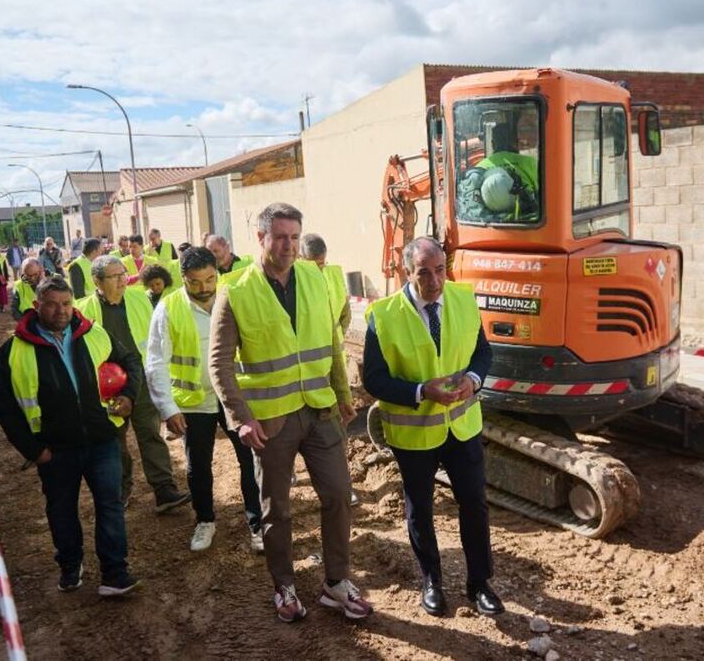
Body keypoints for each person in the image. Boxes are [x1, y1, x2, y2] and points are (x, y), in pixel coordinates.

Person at [208, 202, 370, 623]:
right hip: (270, 421)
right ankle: (284, 586)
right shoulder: (237, 290)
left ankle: (336, 583)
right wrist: (241, 417)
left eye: (295, 237)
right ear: (260, 238)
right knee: (276, 510)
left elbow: (332, 343)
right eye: (280, 237)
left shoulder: (315, 279)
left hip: (319, 411)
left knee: (337, 495)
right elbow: (220, 362)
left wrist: (341, 392)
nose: (289, 246)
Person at [362, 236, 503, 617]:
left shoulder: (463, 299)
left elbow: (482, 353)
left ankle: (479, 584)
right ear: (406, 271)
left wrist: (474, 379)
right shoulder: (383, 315)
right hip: (415, 433)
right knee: (420, 509)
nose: (435, 281)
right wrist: (422, 391)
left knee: (474, 503)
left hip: (462, 427)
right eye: (424, 273)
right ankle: (431, 581)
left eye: (440, 270)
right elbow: (373, 380)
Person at [0, 274, 142, 596]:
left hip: (102, 439)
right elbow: (3, 408)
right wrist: (34, 451)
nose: (61, 311)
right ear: (36, 306)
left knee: (110, 505)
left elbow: (130, 359)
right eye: (52, 305)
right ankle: (70, 567)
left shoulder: (94, 334)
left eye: (66, 304)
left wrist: (129, 396)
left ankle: (115, 574)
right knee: (62, 511)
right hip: (55, 450)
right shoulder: (12, 352)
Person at [146, 247, 264, 553]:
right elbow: (156, 361)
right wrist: (168, 408)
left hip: (234, 398)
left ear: (217, 273)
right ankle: (205, 520)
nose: (204, 288)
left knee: (250, 459)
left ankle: (258, 524)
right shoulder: (168, 308)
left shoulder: (233, 296)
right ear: (183, 278)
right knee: (198, 466)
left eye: (210, 279)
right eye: (196, 282)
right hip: (193, 403)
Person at [76, 255, 191, 513]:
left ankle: (164, 490)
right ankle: (120, 490)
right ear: (97, 281)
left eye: (123, 274)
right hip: (106, 389)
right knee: (114, 440)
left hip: (141, 380)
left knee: (150, 433)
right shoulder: (83, 309)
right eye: (114, 276)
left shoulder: (141, 298)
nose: (122, 280)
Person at [300, 233, 357, 506]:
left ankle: (341, 481)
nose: (320, 268)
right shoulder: (292, 281)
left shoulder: (333, 275)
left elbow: (344, 313)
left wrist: (333, 340)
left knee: (334, 424)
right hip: (300, 368)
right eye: (315, 264)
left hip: (330, 363)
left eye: (322, 263)